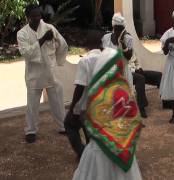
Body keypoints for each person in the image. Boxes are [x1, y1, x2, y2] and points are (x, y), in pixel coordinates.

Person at [72, 48, 143, 180]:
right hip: (122, 148)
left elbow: (86, 119)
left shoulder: (95, 93)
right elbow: (134, 119)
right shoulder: (124, 88)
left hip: (98, 150)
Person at [17, 4, 68, 143]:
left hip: (51, 72)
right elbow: (26, 53)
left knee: (58, 101)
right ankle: (31, 130)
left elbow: (62, 45)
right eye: (33, 16)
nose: (37, 18)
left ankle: (64, 126)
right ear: (27, 17)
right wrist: (43, 39)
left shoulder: (50, 28)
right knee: (32, 105)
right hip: (34, 75)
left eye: (39, 15)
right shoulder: (22, 33)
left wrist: (56, 61)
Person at [64, 30, 105, 159]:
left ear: (87, 44)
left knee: (69, 123)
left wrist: (72, 108)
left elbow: (80, 87)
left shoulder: (85, 61)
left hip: (88, 105)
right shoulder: (108, 58)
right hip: (104, 103)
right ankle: (90, 154)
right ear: (101, 43)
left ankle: (83, 154)